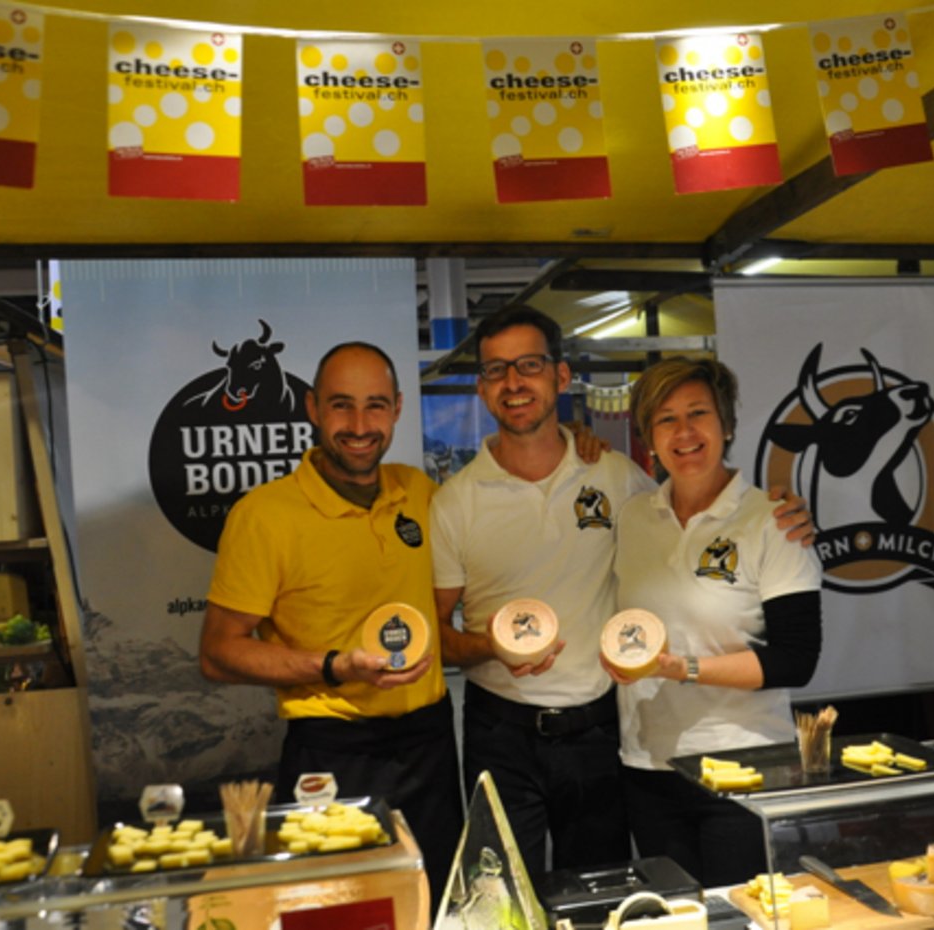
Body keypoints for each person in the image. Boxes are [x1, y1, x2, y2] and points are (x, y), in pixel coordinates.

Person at [431, 307, 814, 883]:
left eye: (529, 365)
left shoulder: (619, 482)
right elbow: (438, 634)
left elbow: (796, 654)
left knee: (610, 895)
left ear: (560, 378)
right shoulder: (462, 501)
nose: (514, 383)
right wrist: (489, 646)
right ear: (483, 387)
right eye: (497, 370)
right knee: (508, 896)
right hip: (519, 737)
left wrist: (790, 515)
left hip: (609, 735)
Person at [199, 342, 463, 906]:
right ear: (312, 407)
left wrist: (574, 447)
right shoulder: (265, 515)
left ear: (396, 408)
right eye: (342, 406)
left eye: (375, 406)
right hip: (332, 754)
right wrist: (332, 666)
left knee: (437, 905)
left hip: (432, 746)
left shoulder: (420, 492)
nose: (360, 425)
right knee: (340, 914)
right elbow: (218, 653)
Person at [603, 357, 824, 887]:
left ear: (726, 425)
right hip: (648, 764)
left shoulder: (772, 520)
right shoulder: (633, 517)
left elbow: (797, 659)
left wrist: (686, 668)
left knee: (739, 916)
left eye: (698, 413)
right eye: (665, 419)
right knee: (676, 915)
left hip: (744, 765)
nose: (684, 432)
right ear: (648, 439)